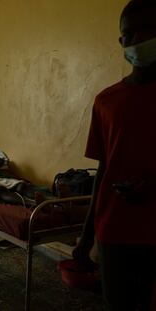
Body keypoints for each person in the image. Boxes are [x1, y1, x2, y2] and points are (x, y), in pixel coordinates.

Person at [73, 1, 156, 310]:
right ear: (121, 42)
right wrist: (85, 237)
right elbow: (103, 171)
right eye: (128, 33)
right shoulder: (107, 101)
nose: (136, 39)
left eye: (146, 29)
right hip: (116, 231)